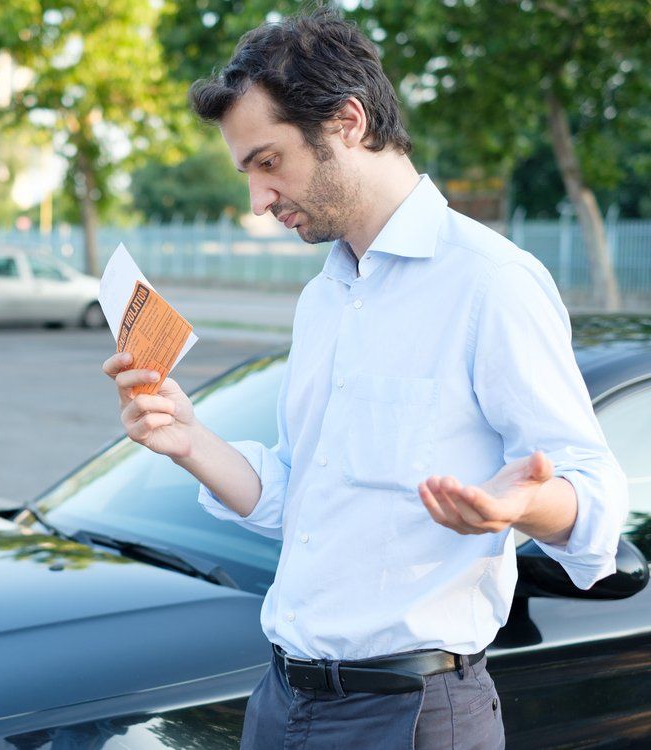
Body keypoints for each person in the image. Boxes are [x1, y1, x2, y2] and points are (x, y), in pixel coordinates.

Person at [103, 7, 628, 749]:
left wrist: (526, 505)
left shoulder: (492, 282)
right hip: (283, 699)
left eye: (268, 161)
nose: (258, 200)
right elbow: (301, 496)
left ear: (348, 121)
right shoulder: (323, 297)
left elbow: (596, 495)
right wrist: (188, 440)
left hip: (411, 713)